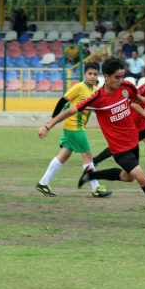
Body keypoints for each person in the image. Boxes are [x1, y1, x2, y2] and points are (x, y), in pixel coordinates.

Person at [38, 57, 145, 227]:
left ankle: (93, 174)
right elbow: (69, 110)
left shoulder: (126, 86)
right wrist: (48, 125)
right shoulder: (97, 97)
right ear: (106, 76)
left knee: (127, 177)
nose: (121, 81)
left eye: (122, 76)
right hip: (119, 148)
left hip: (132, 142)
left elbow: (135, 97)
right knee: (142, 178)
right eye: (117, 78)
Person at [35, 62, 112, 198]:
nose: (93, 77)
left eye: (95, 74)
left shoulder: (95, 91)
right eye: (90, 74)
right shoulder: (79, 87)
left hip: (78, 126)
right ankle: (96, 188)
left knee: (64, 155)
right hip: (73, 126)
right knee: (87, 156)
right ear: (84, 74)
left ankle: (43, 183)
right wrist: (52, 119)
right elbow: (63, 101)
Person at [92, 69, 145, 182]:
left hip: (140, 124)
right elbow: (133, 102)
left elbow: (141, 105)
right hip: (132, 125)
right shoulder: (144, 88)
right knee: (120, 148)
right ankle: (95, 161)